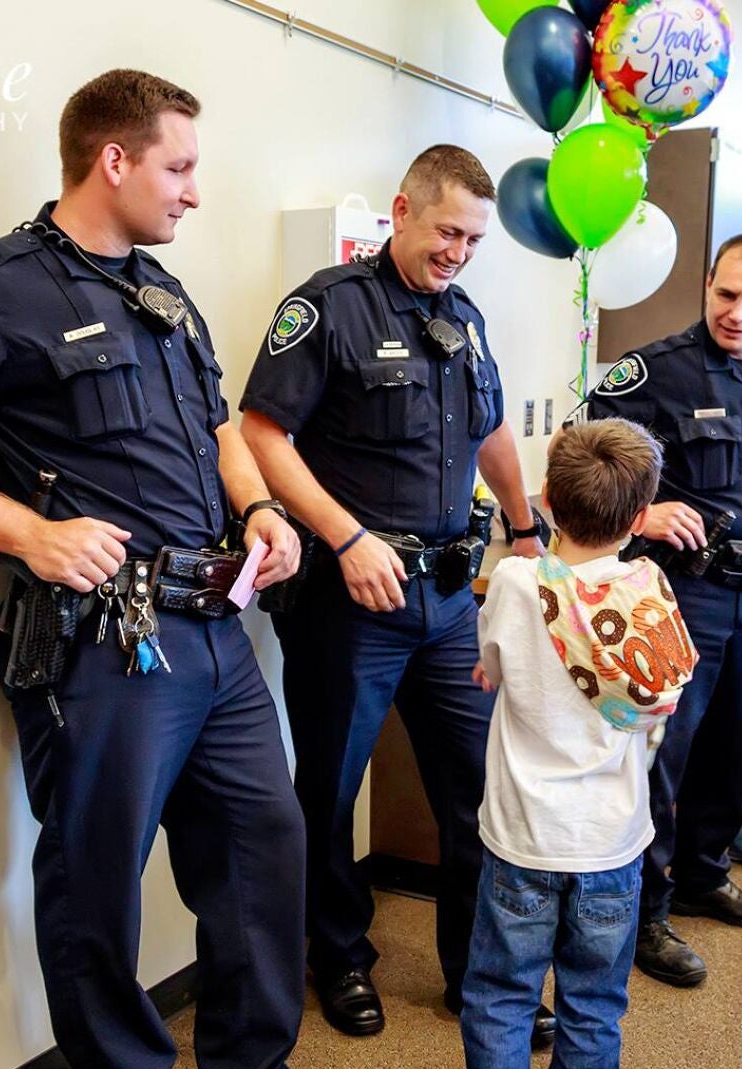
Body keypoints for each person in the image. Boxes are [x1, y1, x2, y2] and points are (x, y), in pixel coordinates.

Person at [0, 70, 306, 1069]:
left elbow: (219, 428)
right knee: (96, 883)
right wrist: (30, 533)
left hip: (216, 629)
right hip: (108, 646)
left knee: (264, 851)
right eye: (179, 168)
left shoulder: (163, 292)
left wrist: (260, 507)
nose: (194, 192)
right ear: (113, 160)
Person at [239, 145, 553, 1043]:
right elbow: (262, 433)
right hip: (351, 603)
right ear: (402, 211)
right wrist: (344, 536)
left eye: (474, 239)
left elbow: (491, 427)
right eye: (448, 231)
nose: (458, 251)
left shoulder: (465, 317)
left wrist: (525, 528)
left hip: (448, 601)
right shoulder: (328, 307)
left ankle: (476, 972)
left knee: (479, 786)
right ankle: (339, 956)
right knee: (331, 791)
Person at [587, 232, 742, 987]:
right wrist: (640, 514)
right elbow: (585, 457)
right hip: (685, 593)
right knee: (665, 757)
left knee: (734, 746)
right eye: (726, 295)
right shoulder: (657, 370)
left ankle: (704, 872)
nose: (737, 313)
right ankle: (645, 912)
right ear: (707, 287)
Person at [460, 418, 696, 1067]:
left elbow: (490, 665)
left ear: (549, 501)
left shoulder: (516, 582)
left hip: (523, 835)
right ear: (641, 517)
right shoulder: (649, 590)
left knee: (501, 995)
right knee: (594, 1004)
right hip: (611, 842)